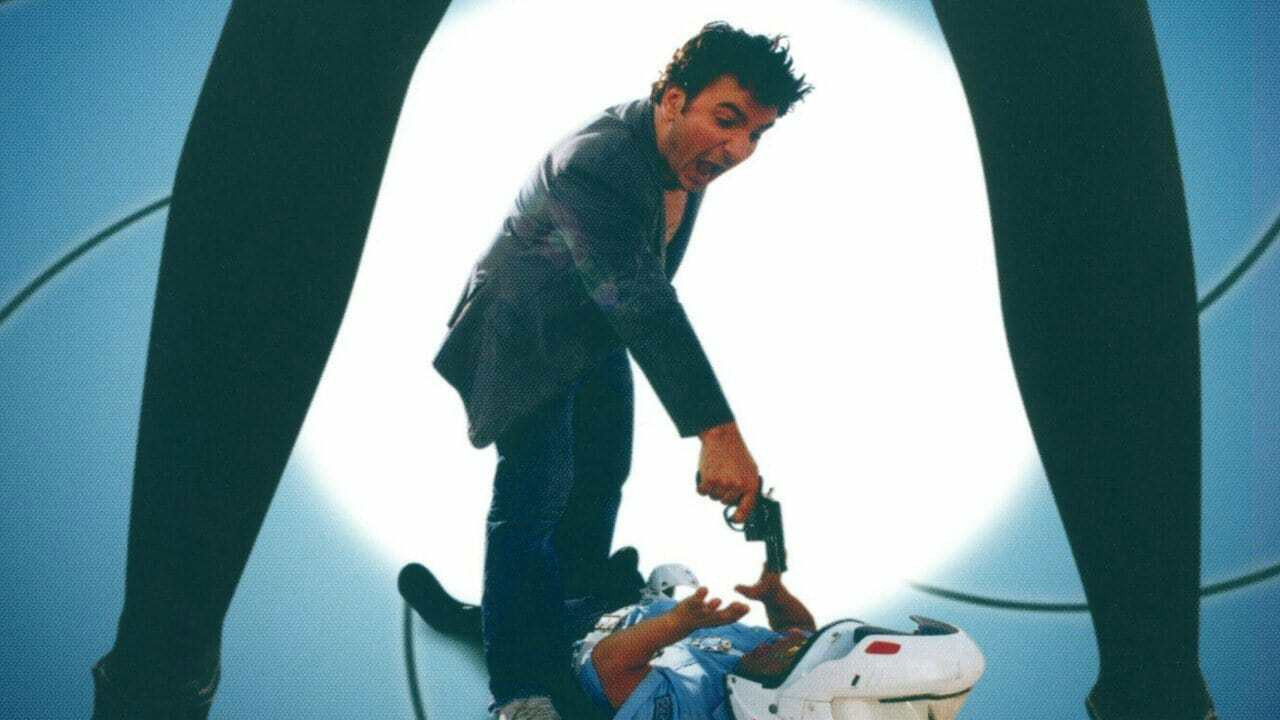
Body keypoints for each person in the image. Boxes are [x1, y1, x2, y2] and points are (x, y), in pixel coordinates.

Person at [431, 22, 811, 720]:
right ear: (674, 99)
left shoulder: (683, 159)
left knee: (602, 473)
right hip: (526, 335)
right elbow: (641, 296)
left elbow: (639, 282)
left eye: (757, 133)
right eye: (728, 120)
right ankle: (519, 686)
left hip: (594, 328)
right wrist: (717, 432)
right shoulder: (599, 161)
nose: (738, 149)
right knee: (535, 499)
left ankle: (571, 623)